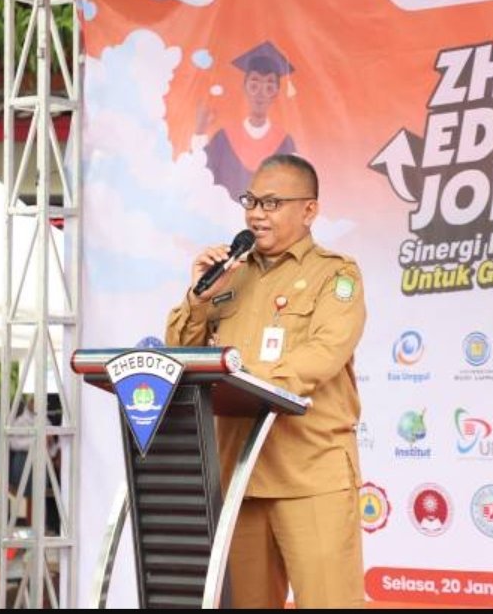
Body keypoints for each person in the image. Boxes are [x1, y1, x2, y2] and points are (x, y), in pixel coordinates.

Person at [166, 153, 366, 609]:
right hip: (240, 475)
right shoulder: (230, 274)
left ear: (309, 210)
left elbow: (323, 354)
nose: (257, 213)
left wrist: (243, 381)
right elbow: (179, 352)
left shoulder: (336, 275)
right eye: (251, 201)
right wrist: (200, 297)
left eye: (272, 203)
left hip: (309, 475)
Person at [197, 41, 298, 201]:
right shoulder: (223, 138)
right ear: (244, 88)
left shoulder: (285, 143)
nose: (260, 93)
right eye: (254, 85)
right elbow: (201, 175)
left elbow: (290, 190)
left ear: (276, 94)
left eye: (269, 87)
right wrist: (199, 131)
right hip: (225, 216)